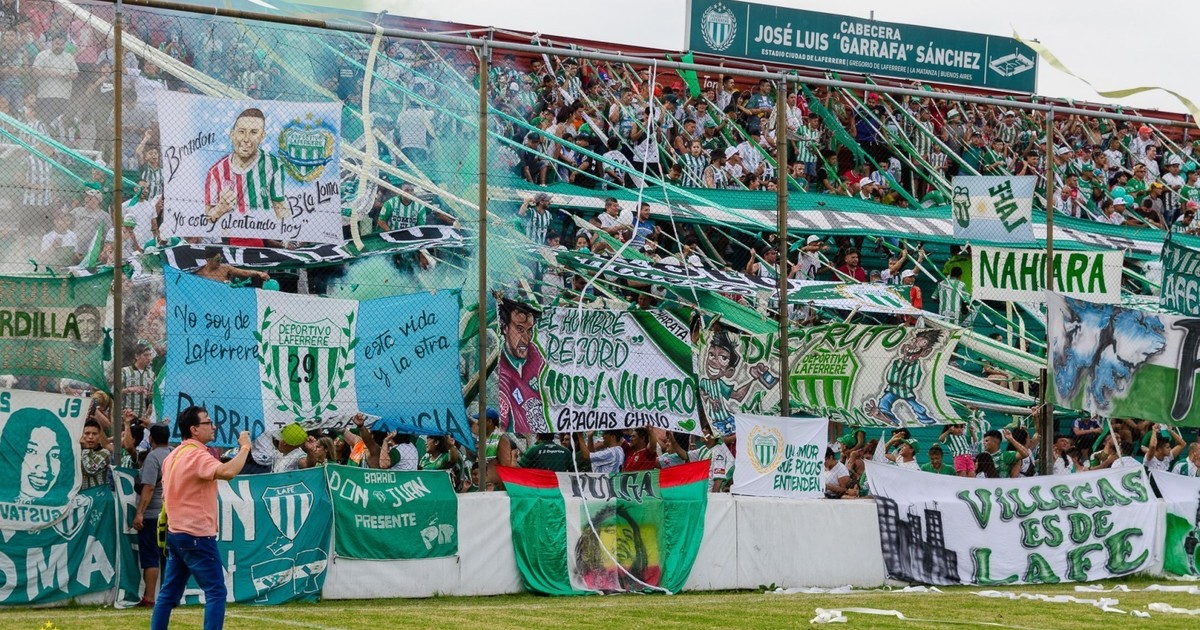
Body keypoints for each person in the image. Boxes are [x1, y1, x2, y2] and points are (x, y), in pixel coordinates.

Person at [151, 406, 252, 630]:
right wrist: (245, 447)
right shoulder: (196, 455)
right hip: (197, 534)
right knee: (216, 591)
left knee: (168, 594)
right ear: (194, 429)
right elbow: (228, 472)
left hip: (176, 533)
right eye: (208, 422)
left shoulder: (173, 455)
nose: (213, 426)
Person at [203, 108, 287, 245]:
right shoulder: (215, 172)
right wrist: (219, 209)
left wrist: (287, 237)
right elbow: (205, 220)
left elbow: (280, 206)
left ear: (262, 136)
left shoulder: (274, 165)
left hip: (262, 238)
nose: (246, 139)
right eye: (241, 131)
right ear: (232, 134)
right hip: (227, 240)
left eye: (254, 132)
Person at [496, 298, 549, 435]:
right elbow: (502, 426)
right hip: (518, 437)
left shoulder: (536, 355)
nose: (526, 339)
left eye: (529, 330)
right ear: (505, 328)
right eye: (519, 329)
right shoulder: (502, 370)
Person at [133, 424, 171, 608]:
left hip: (152, 514)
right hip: (170, 513)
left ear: (150, 439)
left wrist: (139, 513)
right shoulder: (174, 454)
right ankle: (169, 596)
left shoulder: (153, 457)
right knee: (168, 557)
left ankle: (149, 597)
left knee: (151, 557)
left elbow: (148, 487)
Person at [194, 246, 269, 284]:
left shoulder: (225, 268)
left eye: (221, 259)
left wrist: (259, 273)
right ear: (208, 260)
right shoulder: (199, 273)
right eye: (217, 260)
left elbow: (244, 272)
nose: (220, 262)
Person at [122, 343, 155, 418]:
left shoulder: (151, 374)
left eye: (150, 355)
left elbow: (152, 394)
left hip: (144, 416)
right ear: (137, 356)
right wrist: (130, 389)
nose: (149, 358)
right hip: (127, 414)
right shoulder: (125, 371)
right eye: (145, 355)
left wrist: (150, 394)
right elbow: (115, 391)